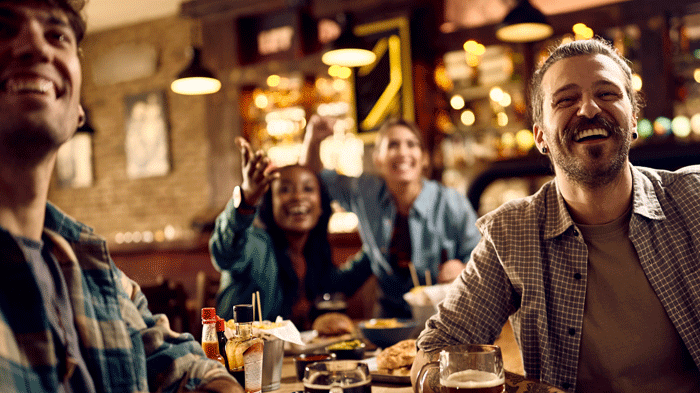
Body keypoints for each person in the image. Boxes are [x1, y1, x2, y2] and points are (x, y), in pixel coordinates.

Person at [411, 37, 700, 393]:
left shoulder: (693, 201)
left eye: (607, 93)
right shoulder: (513, 233)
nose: (589, 109)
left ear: (634, 117)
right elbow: (432, 354)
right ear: (540, 136)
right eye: (566, 99)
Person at [0, 1, 240, 392]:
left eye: (57, 35)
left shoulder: (94, 269)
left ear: (78, 110)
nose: (38, 48)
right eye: (3, 28)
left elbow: (177, 362)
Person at [300, 117, 481, 318]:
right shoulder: (365, 193)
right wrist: (313, 139)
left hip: (445, 318)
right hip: (390, 322)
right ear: (378, 158)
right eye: (393, 145)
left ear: (424, 158)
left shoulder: (451, 202)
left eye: (411, 144)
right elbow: (312, 179)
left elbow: (485, 264)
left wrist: (463, 268)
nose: (403, 152)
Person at [209, 138, 370, 330]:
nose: (298, 197)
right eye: (285, 189)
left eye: (308, 189)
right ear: (270, 204)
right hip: (241, 356)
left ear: (320, 206)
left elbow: (339, 284)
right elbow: (225, 253)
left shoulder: (313, 253)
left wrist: (379, 248)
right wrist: (245, 201)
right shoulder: (255, 244)